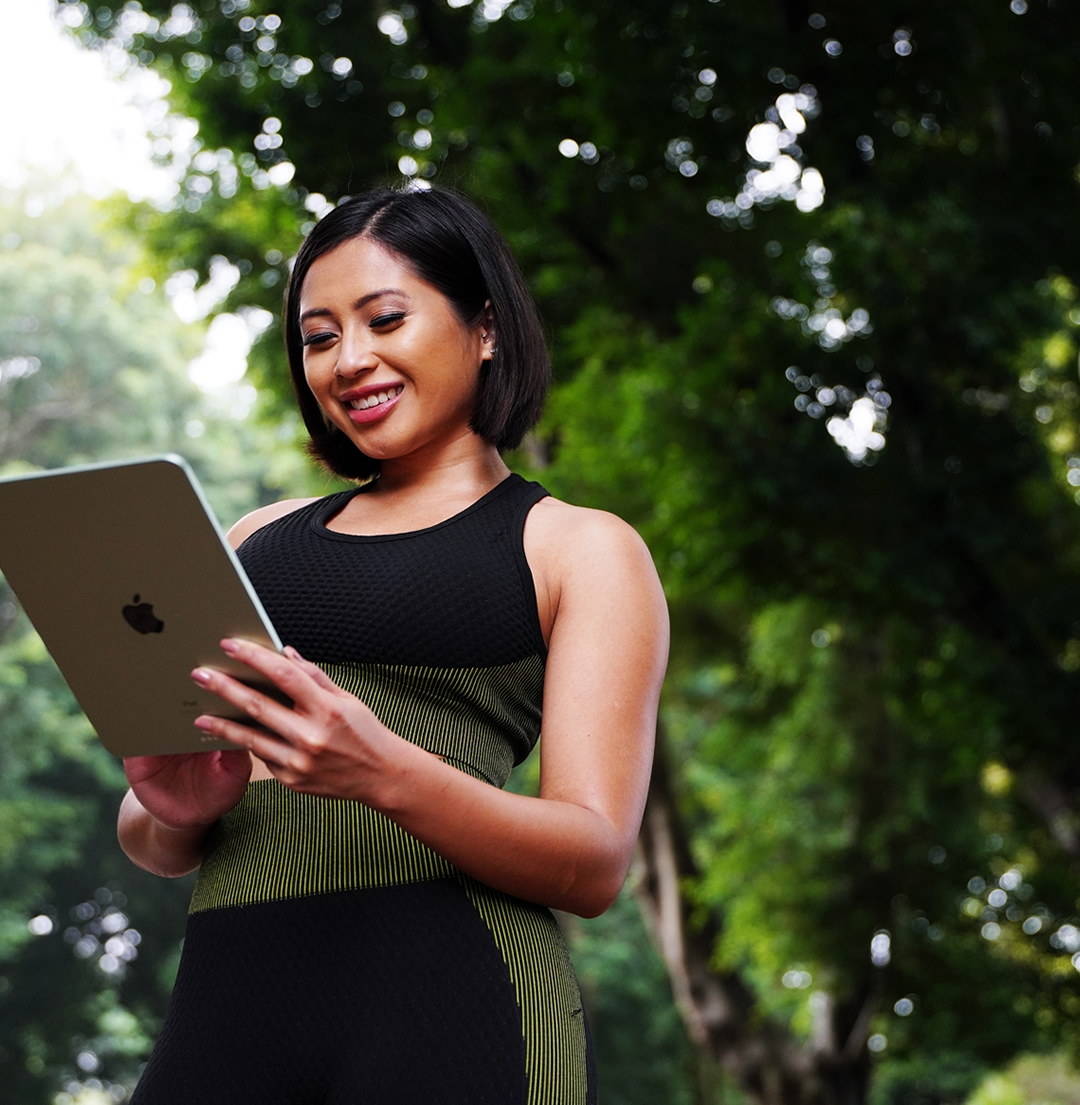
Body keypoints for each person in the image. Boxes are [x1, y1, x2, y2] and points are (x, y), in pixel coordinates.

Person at [119, 186, 669, 1104]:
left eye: (385, 319)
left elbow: (593, 859)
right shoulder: (255, 538)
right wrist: (177, 806)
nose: (350, 360)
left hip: (460, 1006)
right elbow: (150, 838)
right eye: (320, 335)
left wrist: (381, 769)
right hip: (230, 1005)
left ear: (484, 326)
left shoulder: (579, 547)